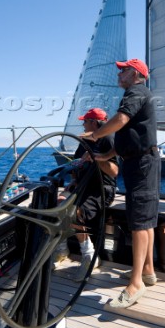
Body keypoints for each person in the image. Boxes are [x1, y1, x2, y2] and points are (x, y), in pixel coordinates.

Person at [81, 58, 161, 309]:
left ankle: (136, 284)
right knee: (145, 220)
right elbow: (129, 136)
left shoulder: (135, 92)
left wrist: (94, 134)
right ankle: (147, 271)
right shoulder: (139, 93)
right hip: (140, 161)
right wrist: (106, 155)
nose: (118, 74)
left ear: (135, 74)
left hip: (142, 164)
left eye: (123, 70)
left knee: (138, 222)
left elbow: (122, 120)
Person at [56, 108, 118, 282]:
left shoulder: (108, 139)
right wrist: (73, 180)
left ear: (94, 122)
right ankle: (62, 249)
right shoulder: (85, 139)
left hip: (101, 189)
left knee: (73, 211)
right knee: (59, 202)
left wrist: (96, 158)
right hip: (81, 185)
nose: (82, 124)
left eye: (85, 121)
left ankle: (89, 255)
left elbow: (114, 172)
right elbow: (77, 163)